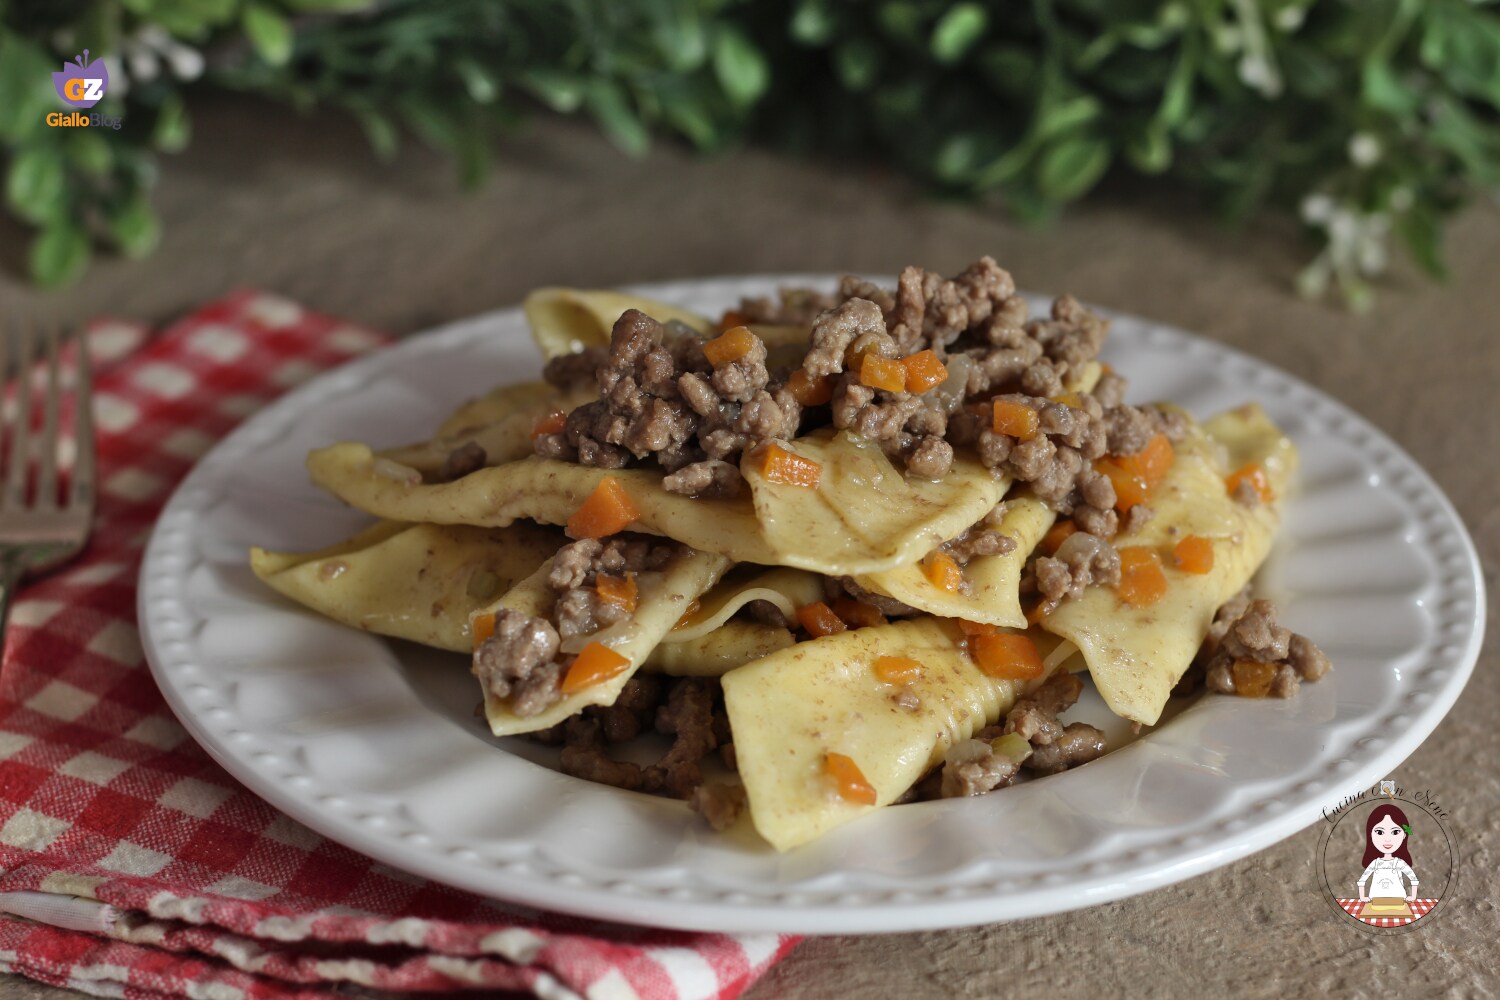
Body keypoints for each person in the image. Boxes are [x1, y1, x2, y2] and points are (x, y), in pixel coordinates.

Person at [1356, 805, 1419, 906]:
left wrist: (1412, 896)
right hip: (1376, 901)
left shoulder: (1399, 863)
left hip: (1398, 901)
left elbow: (1413, 879)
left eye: (1395, 832)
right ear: (1371, 835)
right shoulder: (1375, 863)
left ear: (1404, 835)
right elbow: (1362, 880)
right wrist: (1363, 897)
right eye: (1380, 832)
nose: (1387, 839)